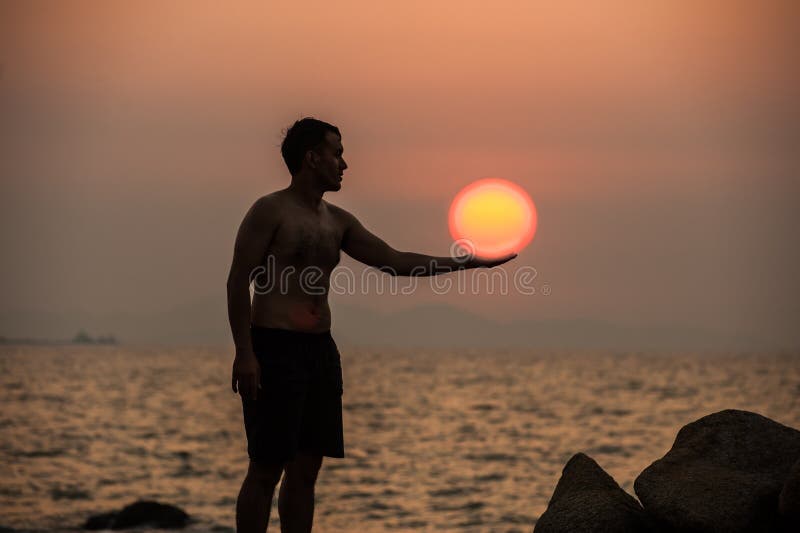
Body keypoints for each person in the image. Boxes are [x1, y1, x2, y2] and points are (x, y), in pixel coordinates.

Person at [226, 117, 516, 532]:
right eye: (337, 153)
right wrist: (245, 354)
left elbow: (394, 261)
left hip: (320, 352)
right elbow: (238, 281)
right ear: (312, 158)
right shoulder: (269, 210)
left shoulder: (338, 220)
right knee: (266, 467)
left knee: (306, 470)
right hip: (273, 347)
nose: (344, 164)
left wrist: (464, 262)